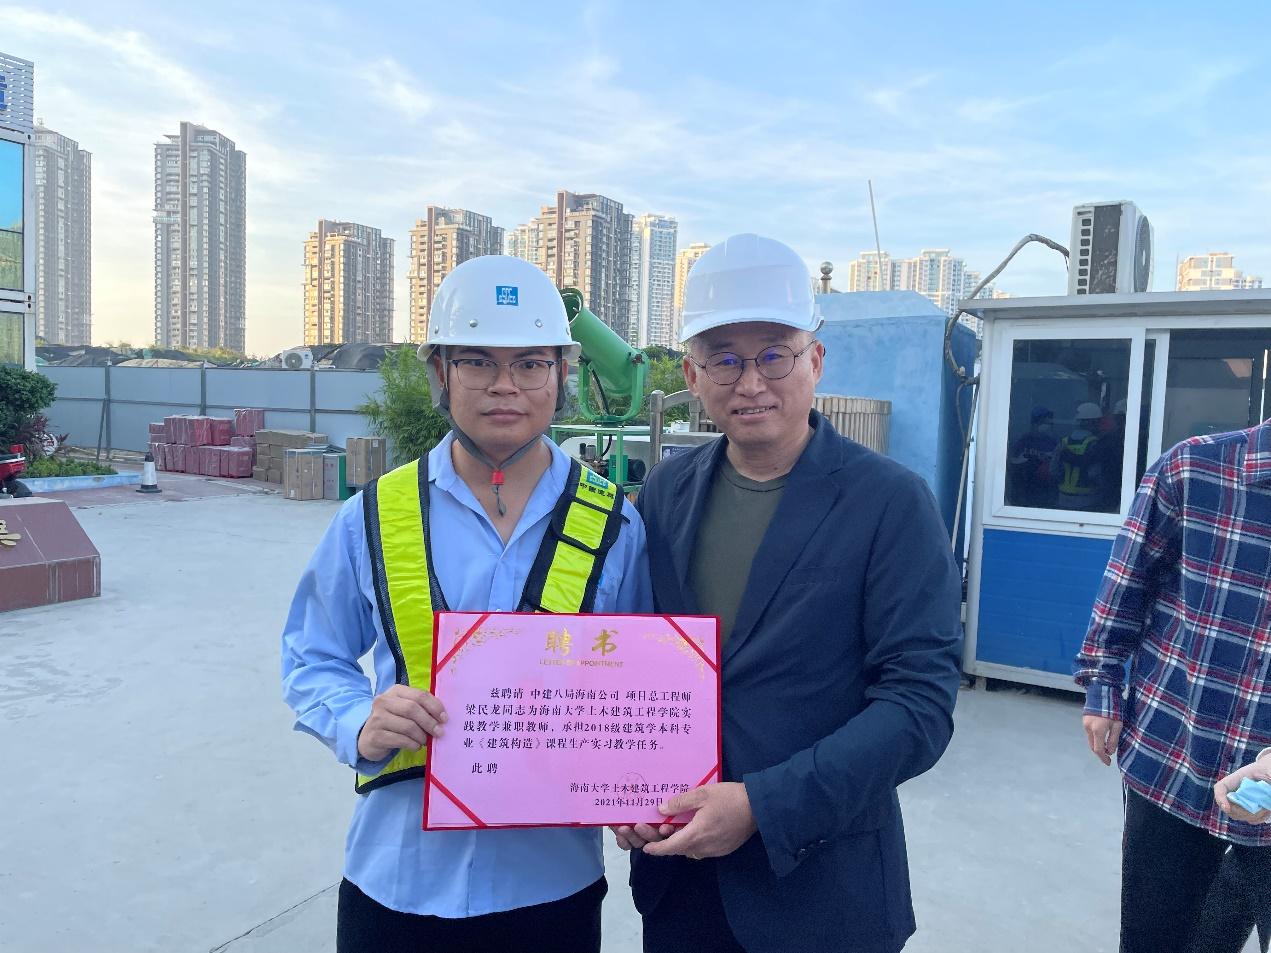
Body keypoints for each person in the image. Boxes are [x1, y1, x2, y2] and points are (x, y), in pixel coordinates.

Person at [281, 255, 651, 953]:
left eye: (530, 363)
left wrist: (639, 784)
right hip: (397, 880)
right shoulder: (373, 515)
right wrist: (359, 719)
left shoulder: (613, 523)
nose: (504, 385)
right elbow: (311, 653)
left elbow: (641, 677)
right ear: (440, 372)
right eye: (478, 361)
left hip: (552, 889)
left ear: (561, 375)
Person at [612, 234, 964, 953]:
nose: (750, 382)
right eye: (724, 359)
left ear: (816, 360)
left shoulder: (890, 503)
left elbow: (918, 705)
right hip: (680, 882)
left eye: (774, 354)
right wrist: (623, 785)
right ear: (692, 374)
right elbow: (638, 661)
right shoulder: (667, 492)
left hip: (821, 892)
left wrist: (763, 806)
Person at [1075, 420, 1271, 953]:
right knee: (1154, 939)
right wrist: (1103, 685)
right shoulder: (1194, 468)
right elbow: (1126, 584)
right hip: (1174, 757)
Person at [1053, 401, 1105, 509]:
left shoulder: (1063, 442)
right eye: (1098, 422)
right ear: (1091, 422)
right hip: (1087, 500)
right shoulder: (1094, 444)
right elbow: (1094, 473)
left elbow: (1053, 469)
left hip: (1063, 498)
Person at [1008, 406, 1058, 506]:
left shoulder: (1052, 442)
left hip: (1046, 490)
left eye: (1049, 423)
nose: (1048, 425)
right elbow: (1013, 461)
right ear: (1035, 423)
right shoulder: (1024, 440)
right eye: (1045, 422)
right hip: (1026, 490)